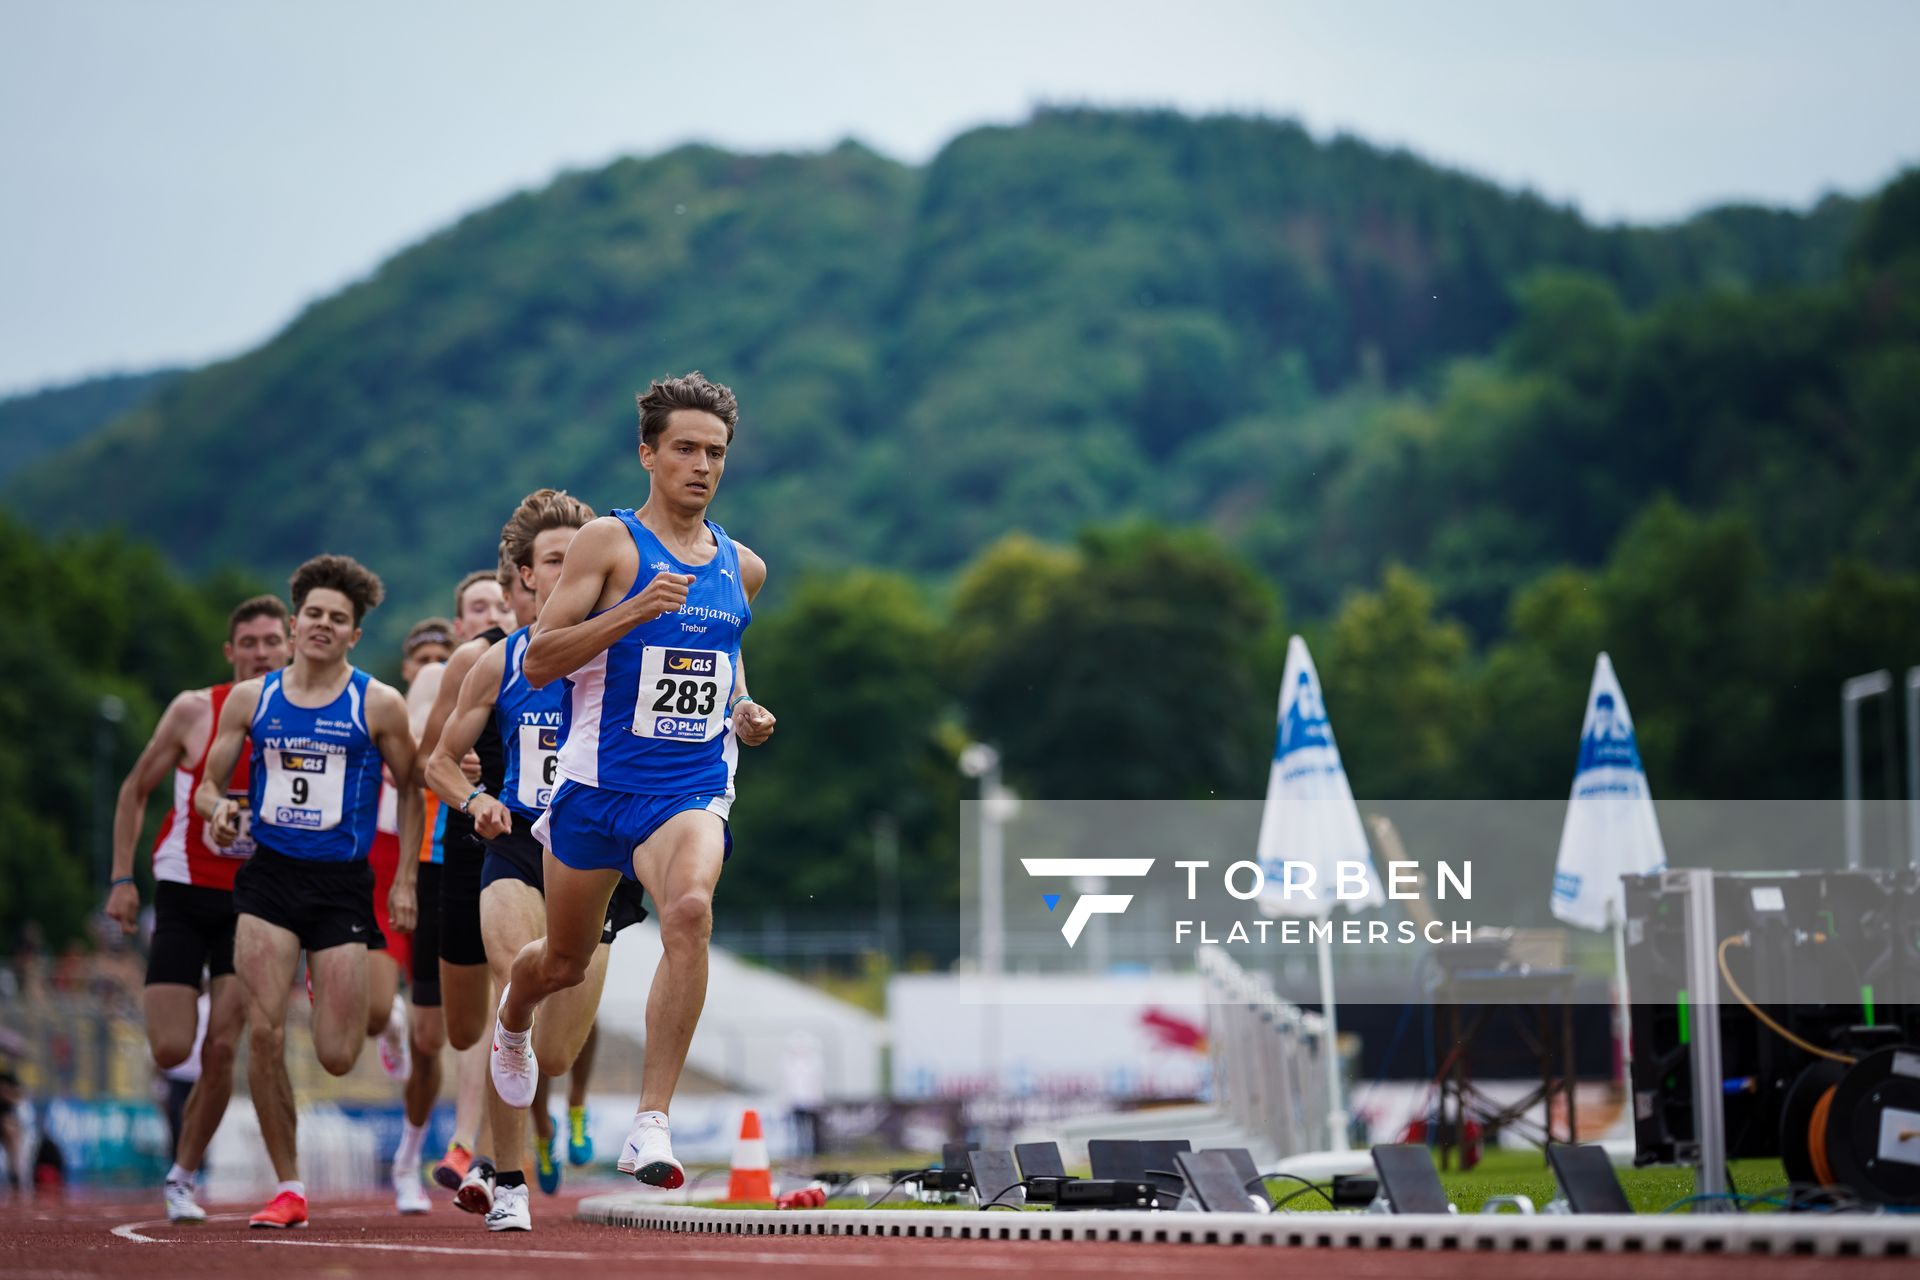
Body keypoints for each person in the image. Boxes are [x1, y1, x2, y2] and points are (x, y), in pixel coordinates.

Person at [492, 372, 776, 1188]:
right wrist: (632, 611)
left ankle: (650, 1124)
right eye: (685, 448)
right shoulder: (608, 546)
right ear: (647, 453)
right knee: (565, 964)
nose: (702, 465)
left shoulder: (743, 567)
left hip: (688, 789)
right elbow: (541, 659)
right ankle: (514, 1016)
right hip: (594, 788)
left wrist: (745, 709)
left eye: (715, 452)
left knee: (688, 909)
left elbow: (722, 659)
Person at [426, 489, 648, 1230]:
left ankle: (528, 1131)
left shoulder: (623, 652)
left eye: (579, 558)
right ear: (526, 576)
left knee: (553, 1053)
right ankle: (502, 1176)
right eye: (556, 561)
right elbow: (438, 762)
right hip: (518, 845)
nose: (572, 571)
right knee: (508, 987)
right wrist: (473, 802)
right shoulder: (499, 662)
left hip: (596, 854)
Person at [195, 555, 423, 1230]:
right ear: (295, 626)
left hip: (343, 888)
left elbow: (412, 786)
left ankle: (343, 991)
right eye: (315, 615)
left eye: (339, 619)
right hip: (268, 878)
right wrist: (218, 810)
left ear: (354, 634)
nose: (324, 626)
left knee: (336, 1053)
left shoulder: (377, 703)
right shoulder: (252, 699)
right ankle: (288, 1185)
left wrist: (406, 878)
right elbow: (209, 784)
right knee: (262, 1034)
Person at [105, 595, 290, 1222]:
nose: (261, 653)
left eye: (272, 641)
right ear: (230, 651)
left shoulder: (308, 715)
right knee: (170, 1047)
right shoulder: (193, 710)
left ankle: (182, 1176)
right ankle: (181, 1159)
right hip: (184, 892)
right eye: (250, 643)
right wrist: (120, 878)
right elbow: (135, 788)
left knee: (221, 1046)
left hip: (253, 900)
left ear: (289, 646)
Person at [413, 568, 514, 1213]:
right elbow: (424, 760)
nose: (490, 613)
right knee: (454, 1029)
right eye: (477, 606)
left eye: (498, 603)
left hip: (527, 840)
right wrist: (464, 774)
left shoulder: (553, 654)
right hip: (445, 850)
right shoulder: (453, 669)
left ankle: (483, 1153)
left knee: (515, 998)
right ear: (459, 621)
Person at [382, 617, 454, 1214]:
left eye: (443, 654)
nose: (433, 663)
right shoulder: (381, 714)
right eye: (423, 655)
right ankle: (388, 1016)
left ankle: (410, 1158)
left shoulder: (459, 709)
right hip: (378, 869)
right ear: (408, 668)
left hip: (436, 863)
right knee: (377, 1012)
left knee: (432, 1043)